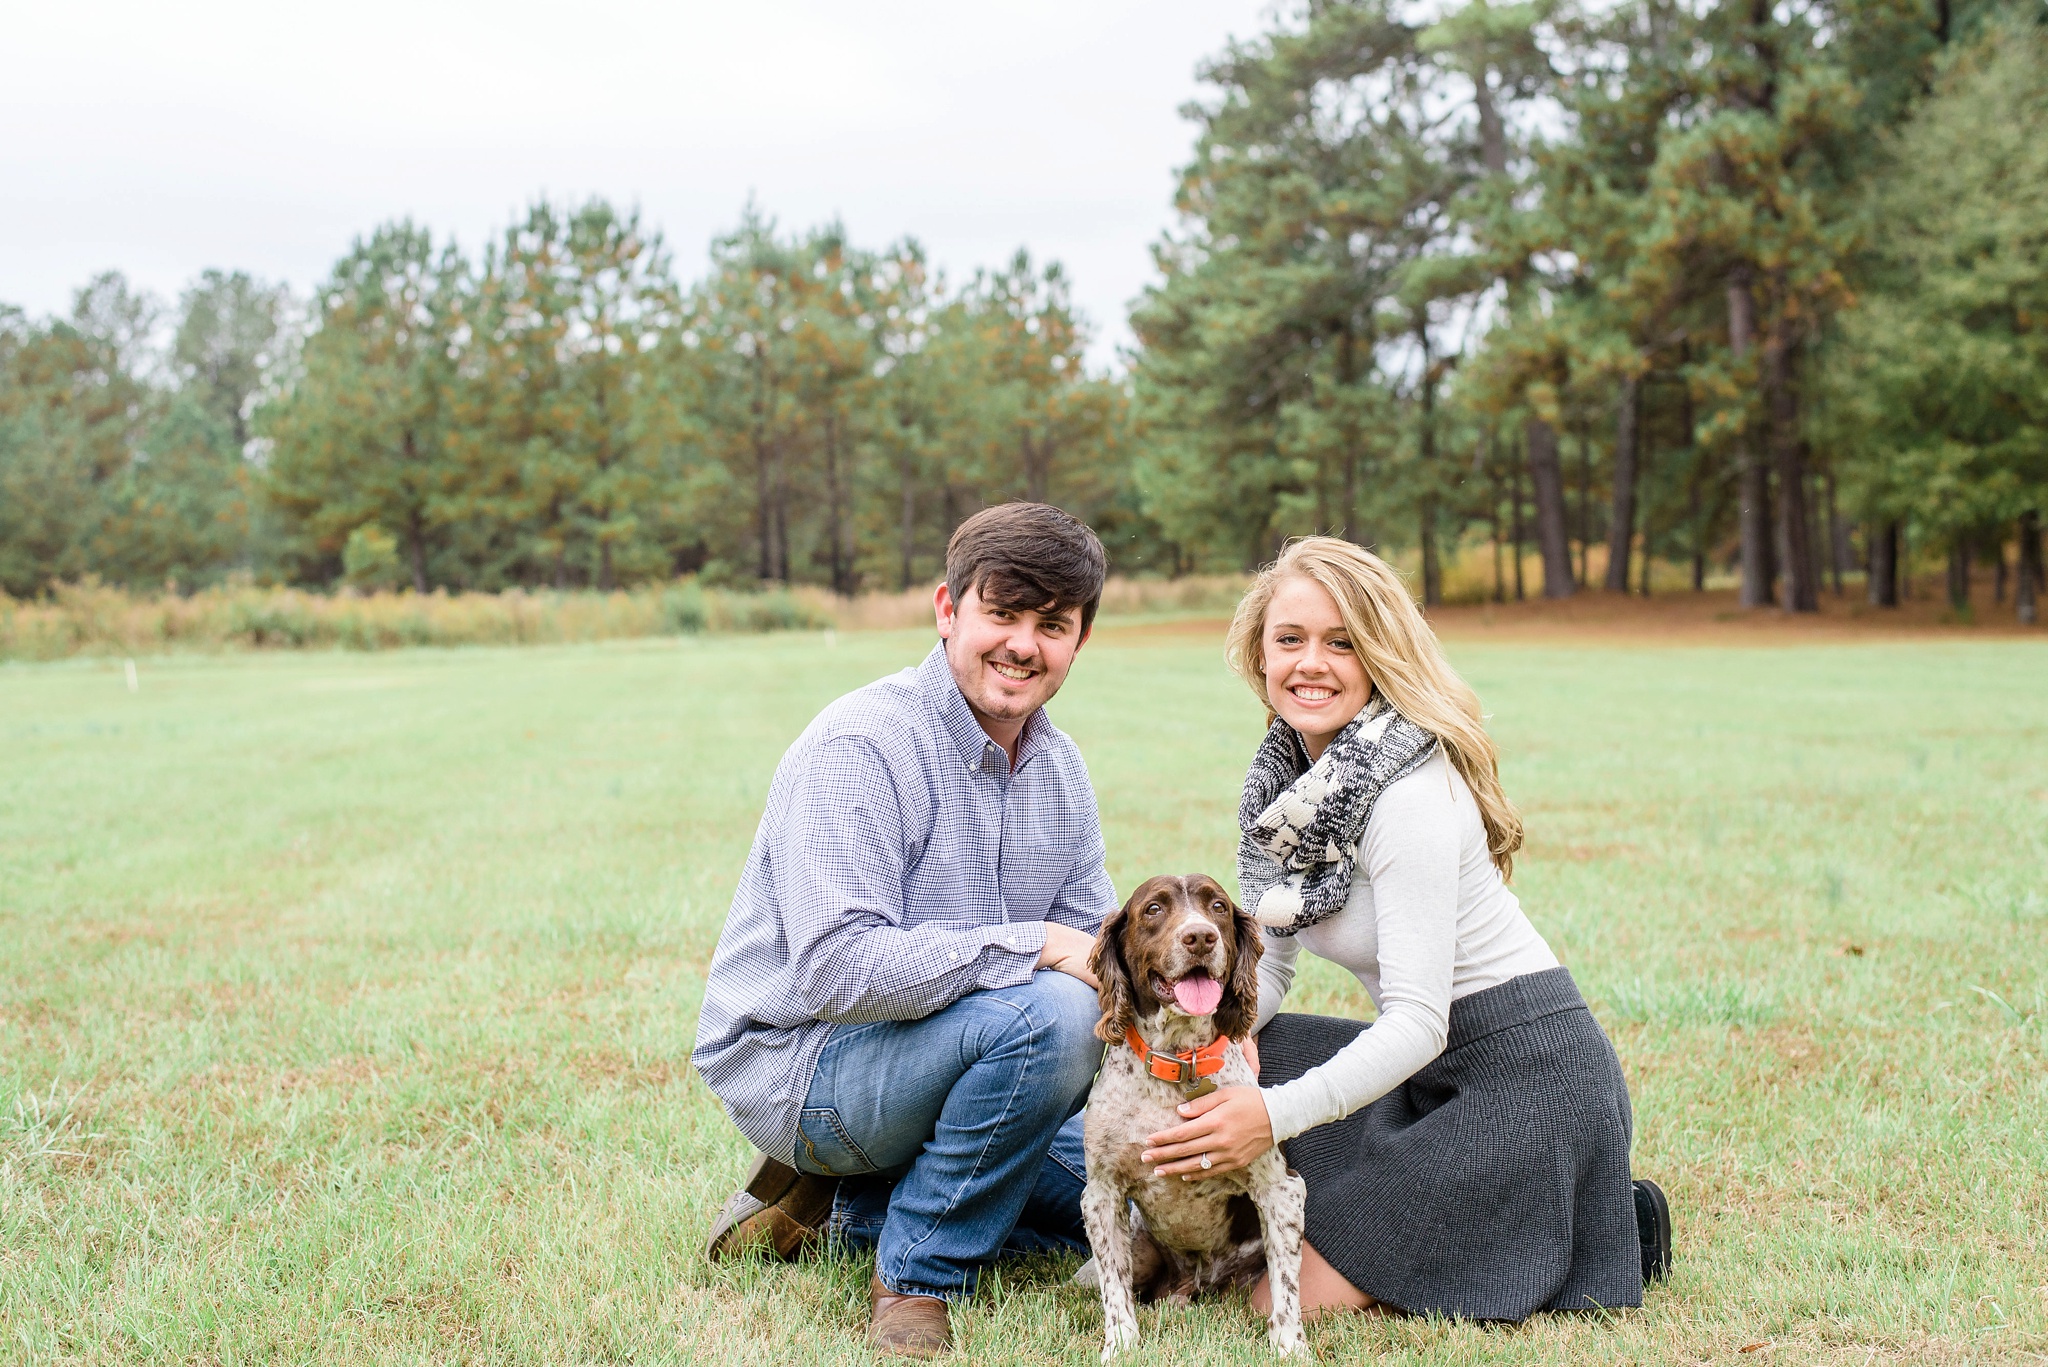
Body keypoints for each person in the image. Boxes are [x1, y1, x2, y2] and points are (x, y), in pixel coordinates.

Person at [1136, 536, 1673, 1321]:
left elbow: (1420, 1020)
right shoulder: (1286, 787)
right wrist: (1231, 1036)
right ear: (1259, 653)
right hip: (1430, 1075)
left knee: (1269, 1307)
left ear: (1379, 654)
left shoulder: (1410, 794)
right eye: (1290, 639)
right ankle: (1538, 1208)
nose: (1310, 662)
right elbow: (1269, 970)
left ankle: (1597, 1216)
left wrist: (1272, 1114)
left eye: (1341, 642)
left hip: (1529, 1079)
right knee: (1218, 1054)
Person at [691, 502, 1114, 1359]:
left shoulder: (1061, 769)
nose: (1023, 645)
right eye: (1001, 613)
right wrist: (1033, 944)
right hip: (808, 1065)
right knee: (1053, 1016)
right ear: (948, 609)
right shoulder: (862, 742)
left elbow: (1097, 955)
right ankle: (917, 1274)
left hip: (967, 1060)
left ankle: (856, 1208)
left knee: (1135, 1208)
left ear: (1081, 638)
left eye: (1052, 624)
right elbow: (838, 972)